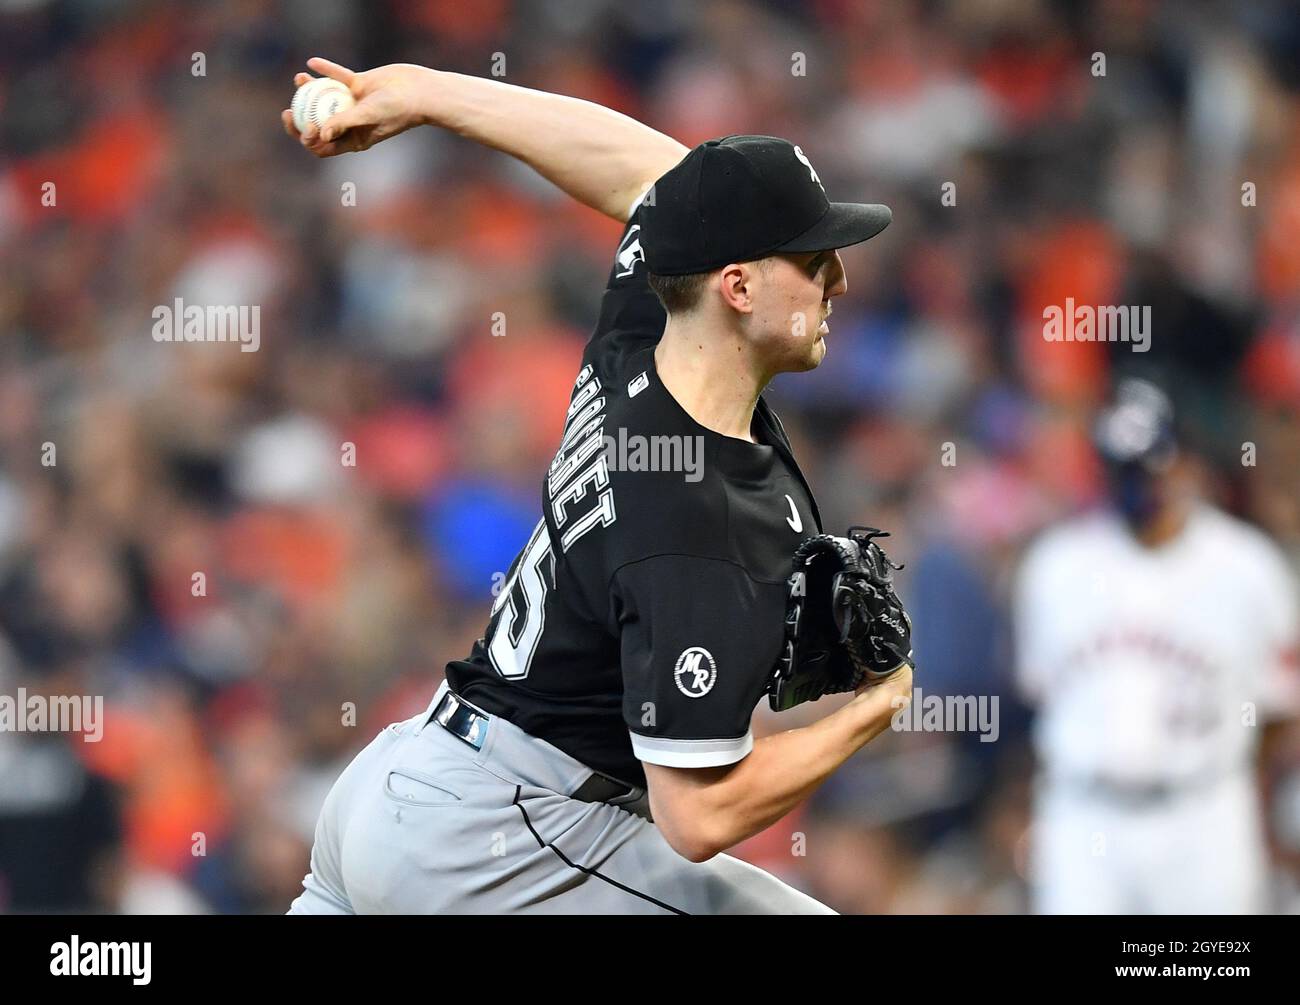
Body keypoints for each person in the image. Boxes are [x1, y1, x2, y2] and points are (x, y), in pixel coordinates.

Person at [283, 57, 911, 915]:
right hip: (497, 841)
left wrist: (428, 96)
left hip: (398, 789)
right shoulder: (696, 515)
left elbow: (654, 180)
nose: (838, 278)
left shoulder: (645, 335)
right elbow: (696, 815)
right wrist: (873, 711)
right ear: (737, 285)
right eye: (813, 260)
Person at [1014, 377, 1300, 913]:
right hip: (1084, 811)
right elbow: (1039, 701)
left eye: (1148, 468)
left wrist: (1252, 810)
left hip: (1204, 811)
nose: (1136, 486)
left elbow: (1279, 712)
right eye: (1121, 469)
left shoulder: (1248, 567)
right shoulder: (1055, 567)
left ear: (1185, 462)